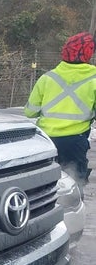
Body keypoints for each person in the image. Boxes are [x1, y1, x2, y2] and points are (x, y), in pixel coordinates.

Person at [24, 31, 96, 185]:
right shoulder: (94, 79)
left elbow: (29, 111)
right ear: (89, 54)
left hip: (46, 141)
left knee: (45, 187)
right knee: (74, 189)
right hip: (75, 142)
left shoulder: (47, 78)